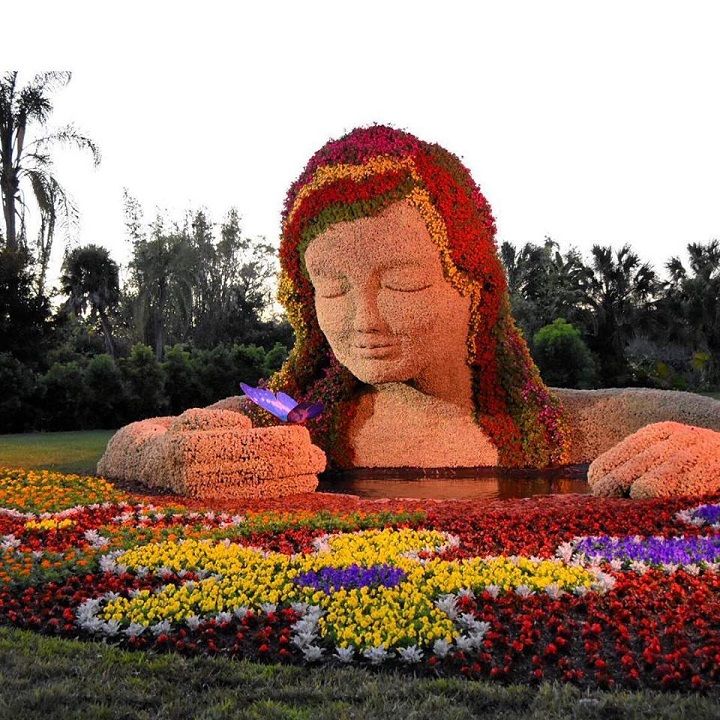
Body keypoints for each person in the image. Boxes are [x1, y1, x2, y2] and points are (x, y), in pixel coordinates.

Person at [98, 125, 720, 498]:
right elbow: (140, 438)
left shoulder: (562, 429)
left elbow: (691, 418)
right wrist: (167, 457)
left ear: (473, 288)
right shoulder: (298, 422)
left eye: (399, 283)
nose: (363, 319)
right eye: (333, 291)